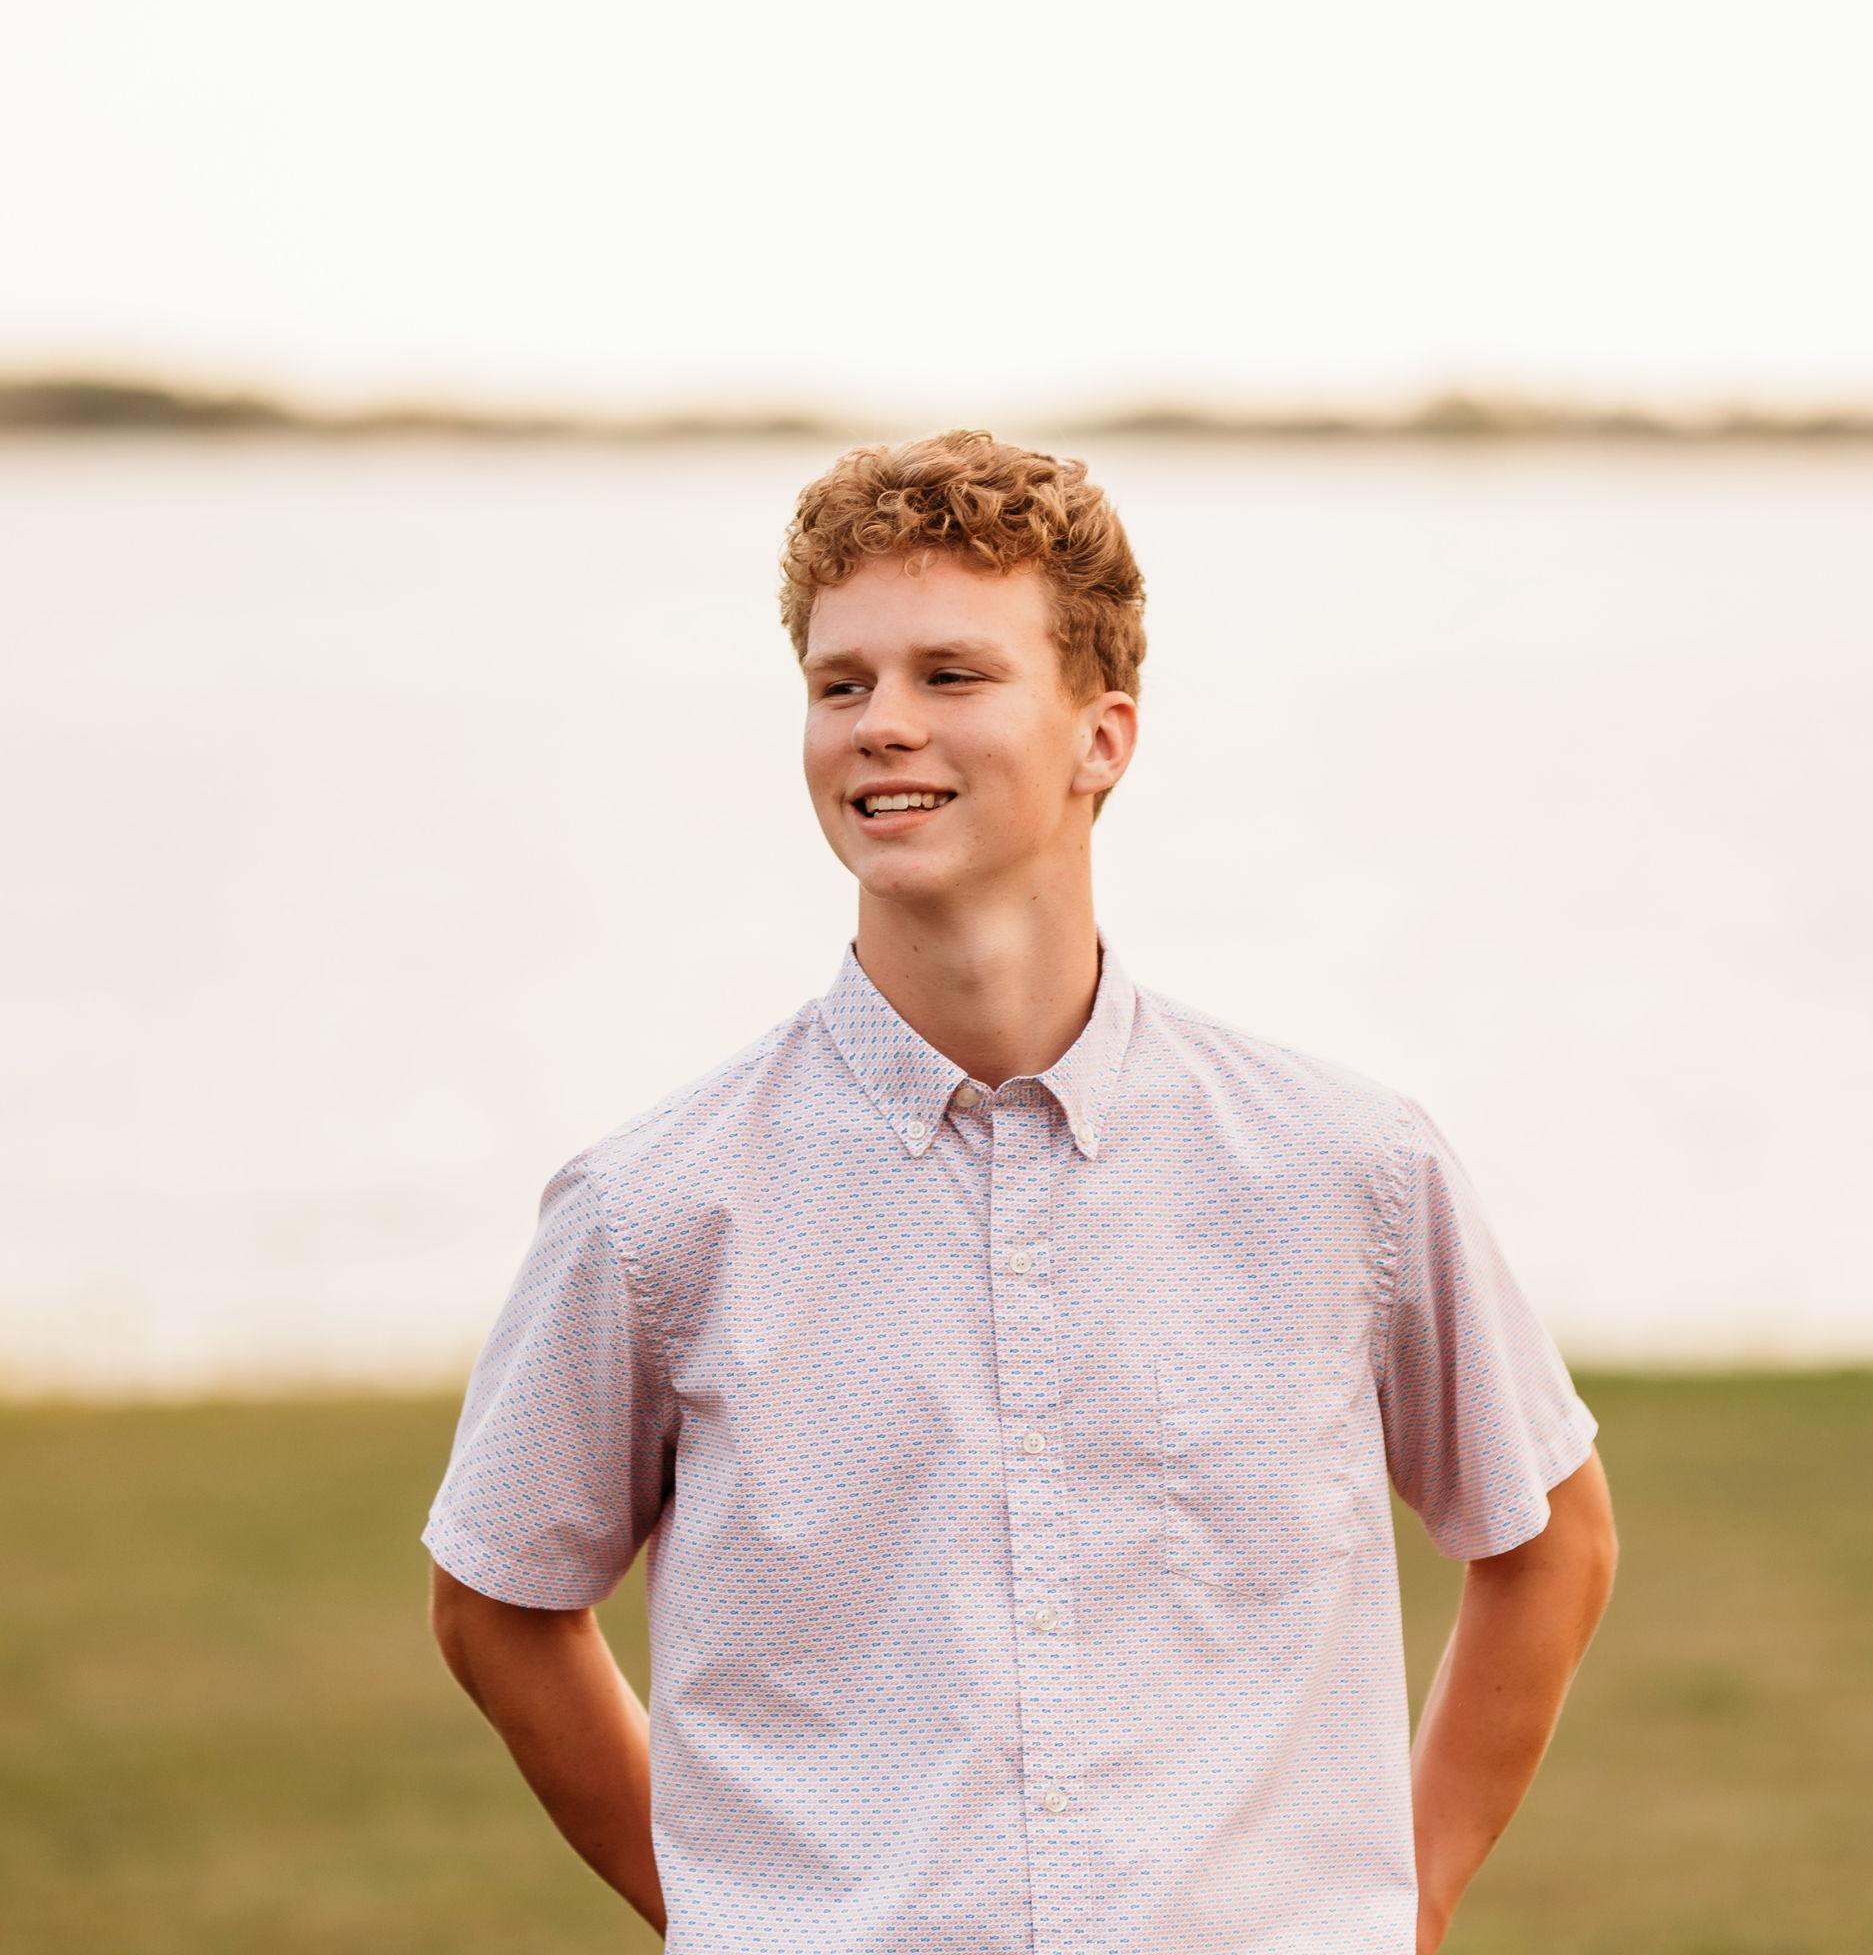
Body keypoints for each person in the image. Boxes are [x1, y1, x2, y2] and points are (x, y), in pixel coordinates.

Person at [422, 427, 1618, 1955]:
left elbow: (1550, 1542)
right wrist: (738, 1916)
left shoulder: (1348, 1172)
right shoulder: (653, 1211)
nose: (881, 725)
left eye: (950, 675)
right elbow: (497, 1603)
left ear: (1101, 739)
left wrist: (1407, 1901)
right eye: (840, 685)